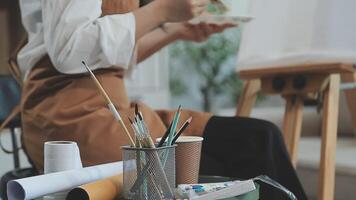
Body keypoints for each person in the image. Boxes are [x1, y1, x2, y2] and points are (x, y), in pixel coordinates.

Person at [16, 0, 307, 199]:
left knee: (258, 138)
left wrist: (177, 31)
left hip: (114, 106)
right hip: (66, 111)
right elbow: (70, 51)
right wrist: (163, 9)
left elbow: (107, 58)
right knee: (206, 169)